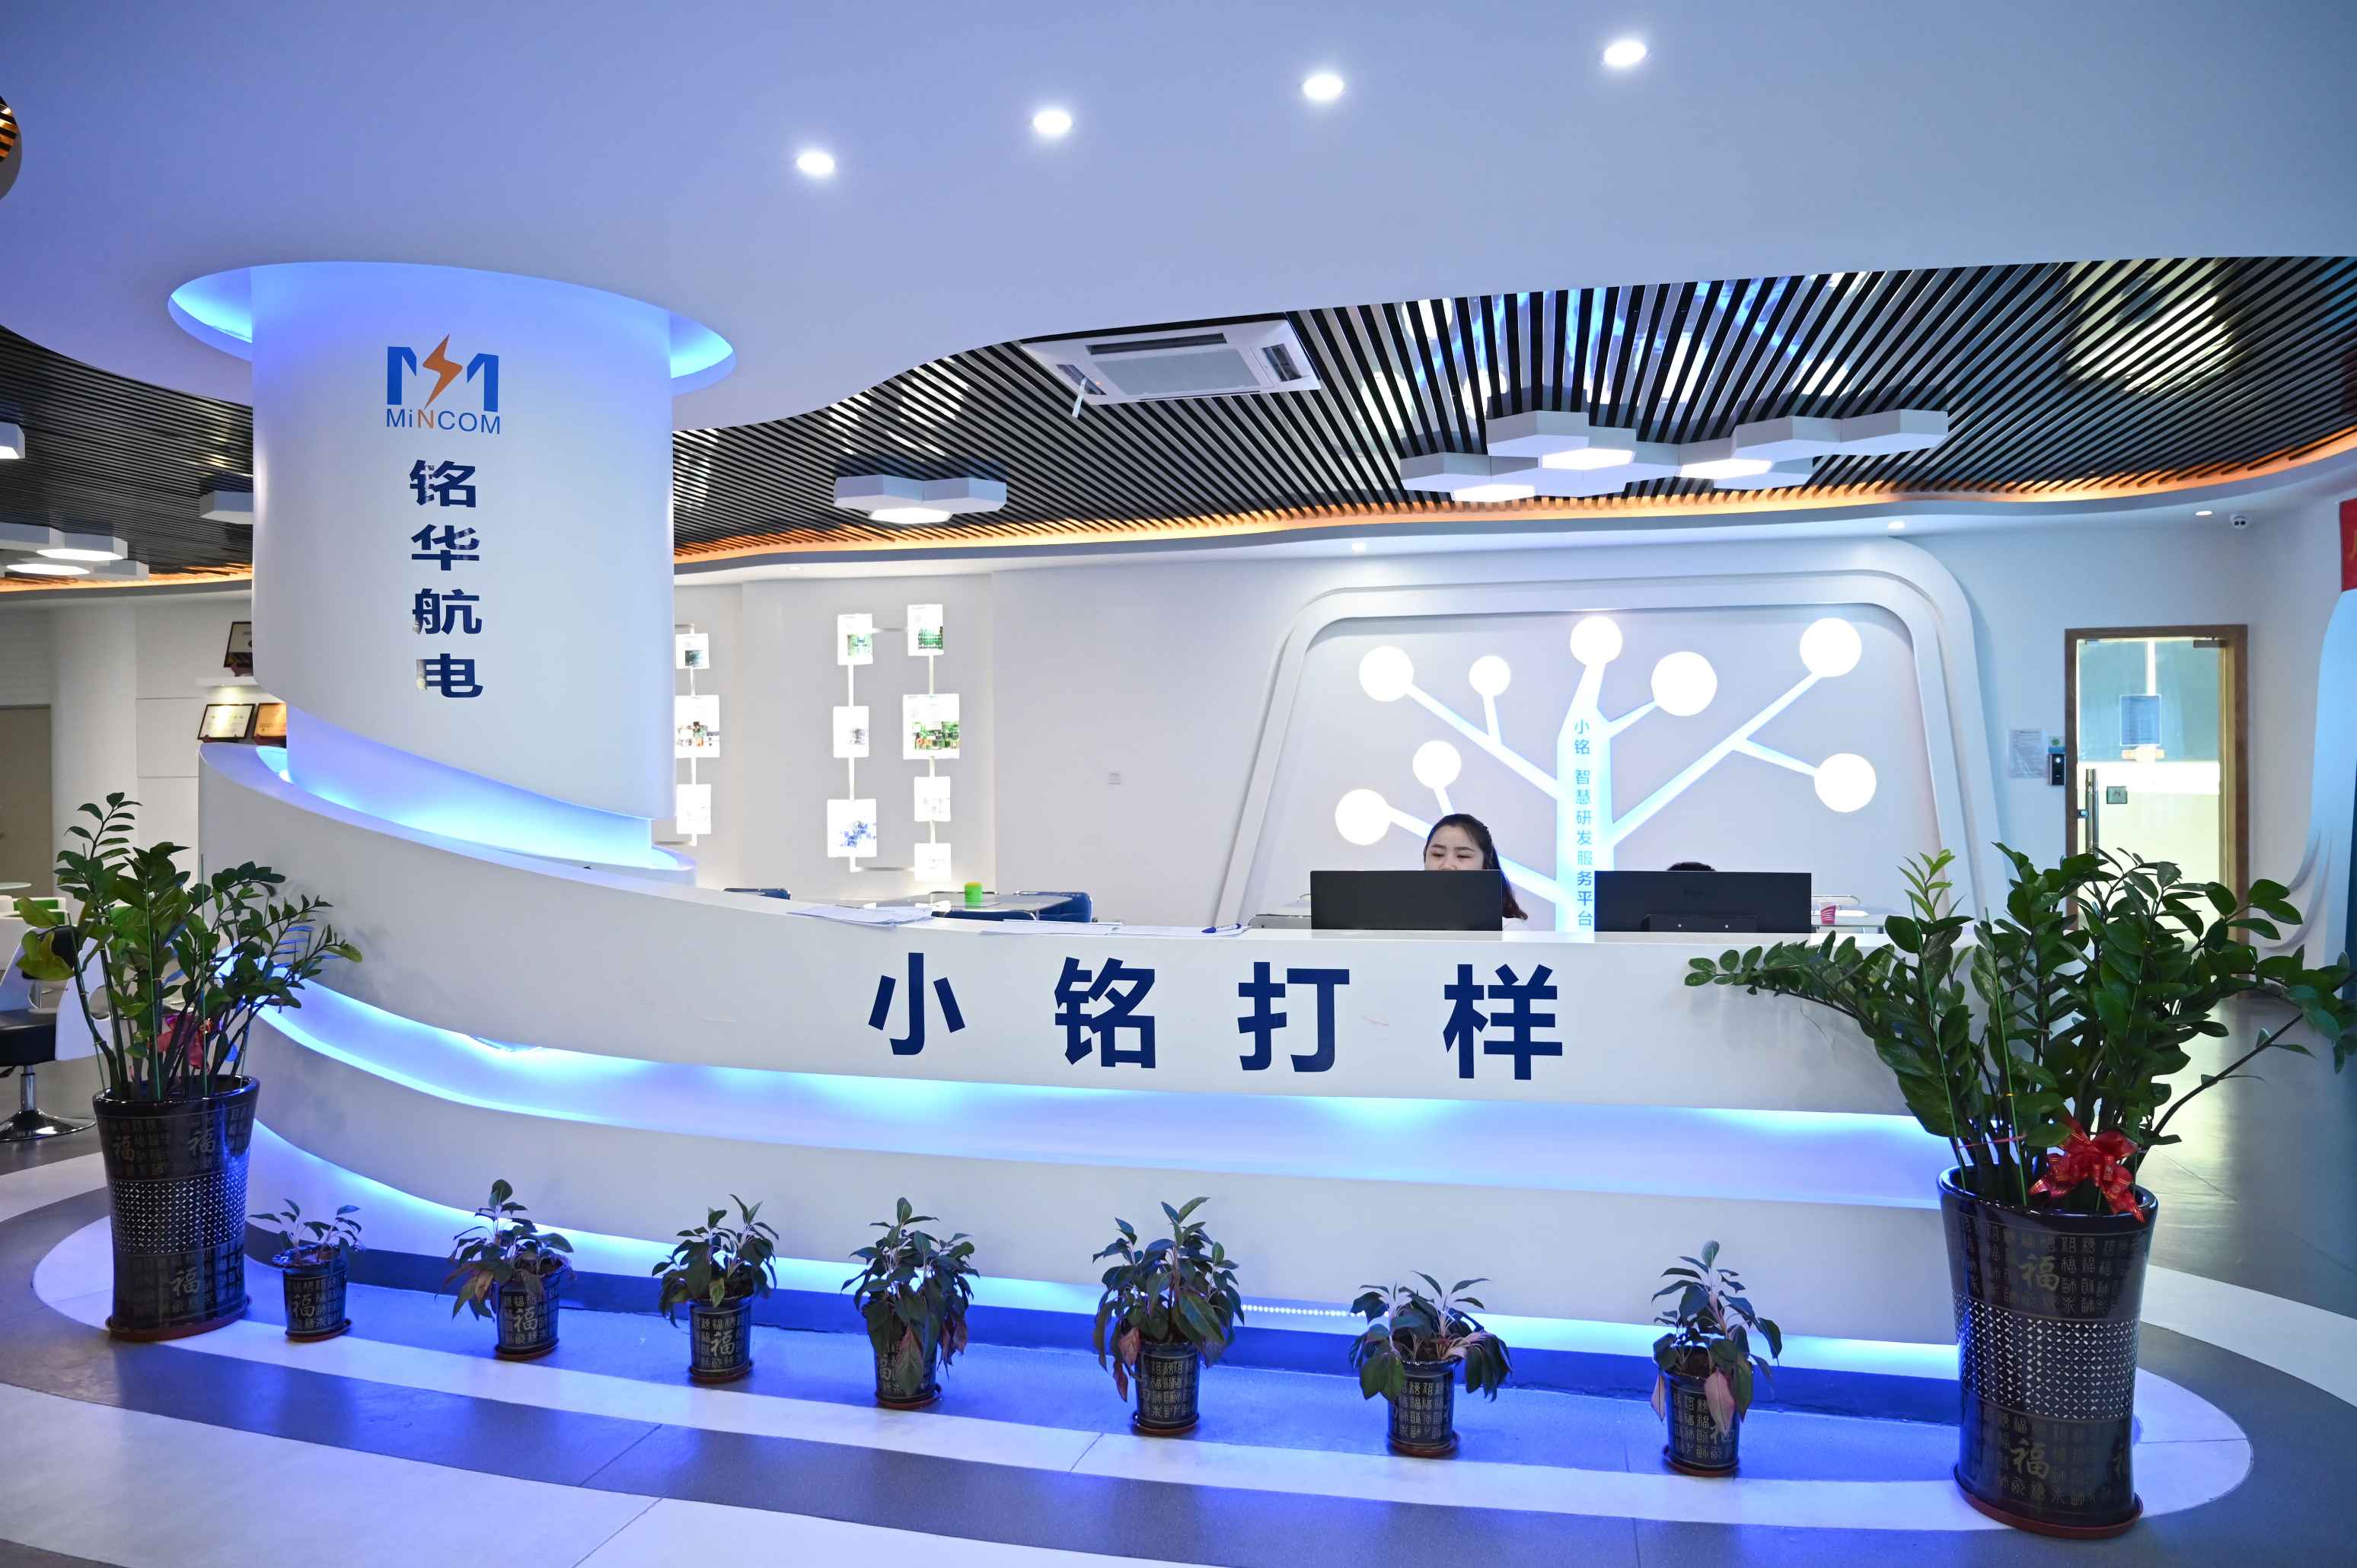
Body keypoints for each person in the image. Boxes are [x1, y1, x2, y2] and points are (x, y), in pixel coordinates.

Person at [1421, 813, 1529, 920]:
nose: (1447, 866)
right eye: (1438, 854)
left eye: (1463, 856)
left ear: (1485, 866)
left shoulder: (1509, 929)